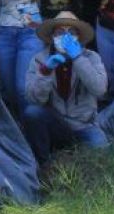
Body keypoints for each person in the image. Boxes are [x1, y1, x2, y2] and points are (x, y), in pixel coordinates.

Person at [22, 12, 108, 164]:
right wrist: (46, 72)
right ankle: (43, 164)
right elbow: (33, 98)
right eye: (60, 32)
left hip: (85, 125)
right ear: (53, 36)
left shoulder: (92, 57)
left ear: (78, 37)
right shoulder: (39, 59)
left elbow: (100, 89)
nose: (65, 36)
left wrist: (78, 59)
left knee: (104, 156)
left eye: (72, 32)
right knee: (32, 113)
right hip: (56, 125)